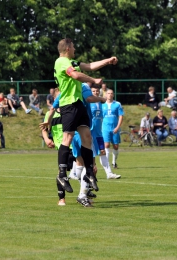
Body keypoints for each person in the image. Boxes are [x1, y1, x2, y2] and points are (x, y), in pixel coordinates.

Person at [53, 37, 118, 197]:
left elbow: (88, 66)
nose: (75, 49)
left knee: (87, 137)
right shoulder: (61, 62)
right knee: (67, 138)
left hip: (78, 104)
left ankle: (89, 172)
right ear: (67, 48)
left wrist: (107, 61)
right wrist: (93, 80)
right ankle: (62, 175)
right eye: (73, 46)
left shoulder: (71, 61)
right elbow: (75, 75)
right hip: (69, 104)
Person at [90, 84, 121, 179]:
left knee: (102, 151)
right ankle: (78, 173)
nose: (96, 93)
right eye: (93, 91)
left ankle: (109, 173)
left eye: (97, 91)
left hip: (98, 134)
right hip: (90, 132)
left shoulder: (100, 103)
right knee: (89, 155)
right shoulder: (88, 103)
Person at [102, 89, 124, 169]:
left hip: (115, 128)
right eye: (108, 93)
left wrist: (117, 127)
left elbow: (121, 116)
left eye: (111, 93)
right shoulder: (102, 104)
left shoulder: (117, 104)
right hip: (105, 128)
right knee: (106, 145)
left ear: (113, 95)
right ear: (106, 94)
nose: (110, 95)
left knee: (115, 146)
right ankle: (107, 164)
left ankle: (114, 162)